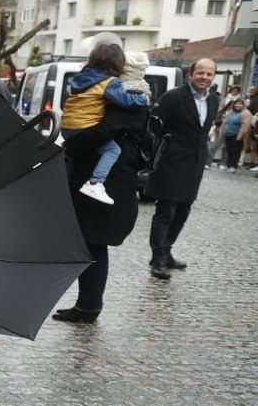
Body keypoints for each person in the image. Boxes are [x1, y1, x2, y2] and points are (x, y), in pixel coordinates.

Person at [52, 96, 153, 324]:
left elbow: (100, 133)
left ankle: (89, 306)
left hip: (108, 186)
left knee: (93, 244)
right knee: (91, 244)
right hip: (109, 184)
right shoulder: (133, 102)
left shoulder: (126, 104)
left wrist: (71, 142)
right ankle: (87, 304)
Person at [146, 58, 218, 280]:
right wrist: (162, 150)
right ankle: (157, 259)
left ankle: (166, 250)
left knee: (183, 211)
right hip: (171, 163)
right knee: (165, 212)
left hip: (194, 165)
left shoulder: (214, 100)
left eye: (209, 74)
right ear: (191, 74)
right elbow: (153, 125)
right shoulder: (174, 97)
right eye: (201, 73)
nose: (204, 77)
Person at [59, 43, 149, 205]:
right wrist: (141, 100)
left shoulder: (82, 77)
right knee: (113, 150)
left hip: (67, 127)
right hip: (84, 127)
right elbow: (125, 100)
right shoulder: (109, 83)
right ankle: (95, 183)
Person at [219, 97, 250, 172]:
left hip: (237, 135)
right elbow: (224, 122)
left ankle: (233, 166)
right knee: (229, 150)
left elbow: (245, 125)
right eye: (236, 103)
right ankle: (228, 165)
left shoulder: (245, 113)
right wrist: (222, 132)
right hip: (228, 134)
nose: (238, 105)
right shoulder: (231, 112)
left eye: (240, 104)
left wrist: (239, 136)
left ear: (243, 105)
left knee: (235, 152)